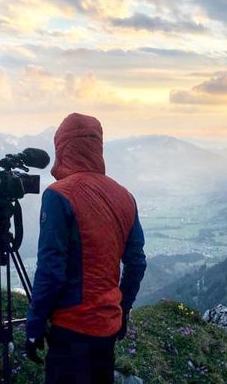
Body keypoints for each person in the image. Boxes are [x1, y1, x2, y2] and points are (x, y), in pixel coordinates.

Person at [25, 112, 147, 384]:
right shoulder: (124, 195)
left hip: (71, 328)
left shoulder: (58, 194)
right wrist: (122, 309)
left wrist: (34, 327)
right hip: (107, 326)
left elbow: (50, 269)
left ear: (62, 148)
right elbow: (136, 262)